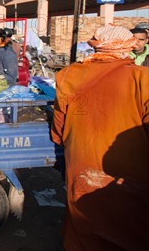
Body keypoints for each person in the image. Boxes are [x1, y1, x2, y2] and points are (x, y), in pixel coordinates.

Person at [50, 25, 149, 251]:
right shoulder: (143, 79)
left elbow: (58, 125)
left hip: (82, 163)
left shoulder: (69, 75)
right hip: (129, 171)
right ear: (126, 49)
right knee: (131, 225)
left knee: (85, 219)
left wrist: (61, 143)